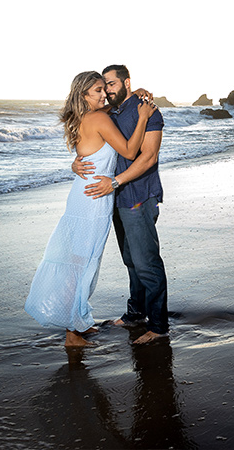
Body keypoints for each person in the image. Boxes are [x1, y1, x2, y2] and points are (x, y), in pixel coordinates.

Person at [25, 71, 155, 348]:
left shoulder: (84, 116)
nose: (103, 94)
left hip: (84, 196)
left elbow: (95, 138)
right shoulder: (98, 118)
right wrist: (143, 117)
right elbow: (130, 152)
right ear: (84, 94)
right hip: (94, 199)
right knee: (83, 264)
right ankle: (73, 334)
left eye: (104, 89)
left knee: (78, 261)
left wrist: (135, 93)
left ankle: (79, 322)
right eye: (97, 90)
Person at [73, 64, 168, 346]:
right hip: (116, 199)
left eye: (112, 84)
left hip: (138, 195)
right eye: (103, 85)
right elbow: (90, 139)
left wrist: (115, 181)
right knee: (130, 260)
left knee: (147, 263)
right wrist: (75, 162)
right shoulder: (109, 112)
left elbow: (148, 157)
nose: (107, 90)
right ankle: (135, 314)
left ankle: (159, 325)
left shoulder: (148, 110)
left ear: (126, 82)